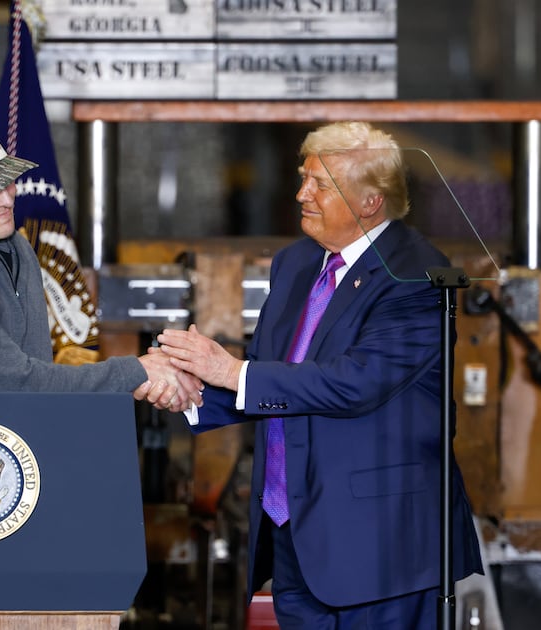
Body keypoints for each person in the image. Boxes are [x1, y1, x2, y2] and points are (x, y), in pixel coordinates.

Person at [156, 121, 482, 628]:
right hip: (295, 535)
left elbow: (353, 383)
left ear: (370, 202)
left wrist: (228, 370)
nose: (301, 194)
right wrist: (194, 392)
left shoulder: (416, 274)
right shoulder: (297, 262)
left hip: (380, 548)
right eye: (303, 178)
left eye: (320, 185)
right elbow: (275, 369)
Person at [0, 116, 196, 409]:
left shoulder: (13, 245)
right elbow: (16, 384)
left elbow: (34, 371)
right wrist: (138, 371)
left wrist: (148, 373)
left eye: (6, 180)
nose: (6, 199)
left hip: (10, 443)